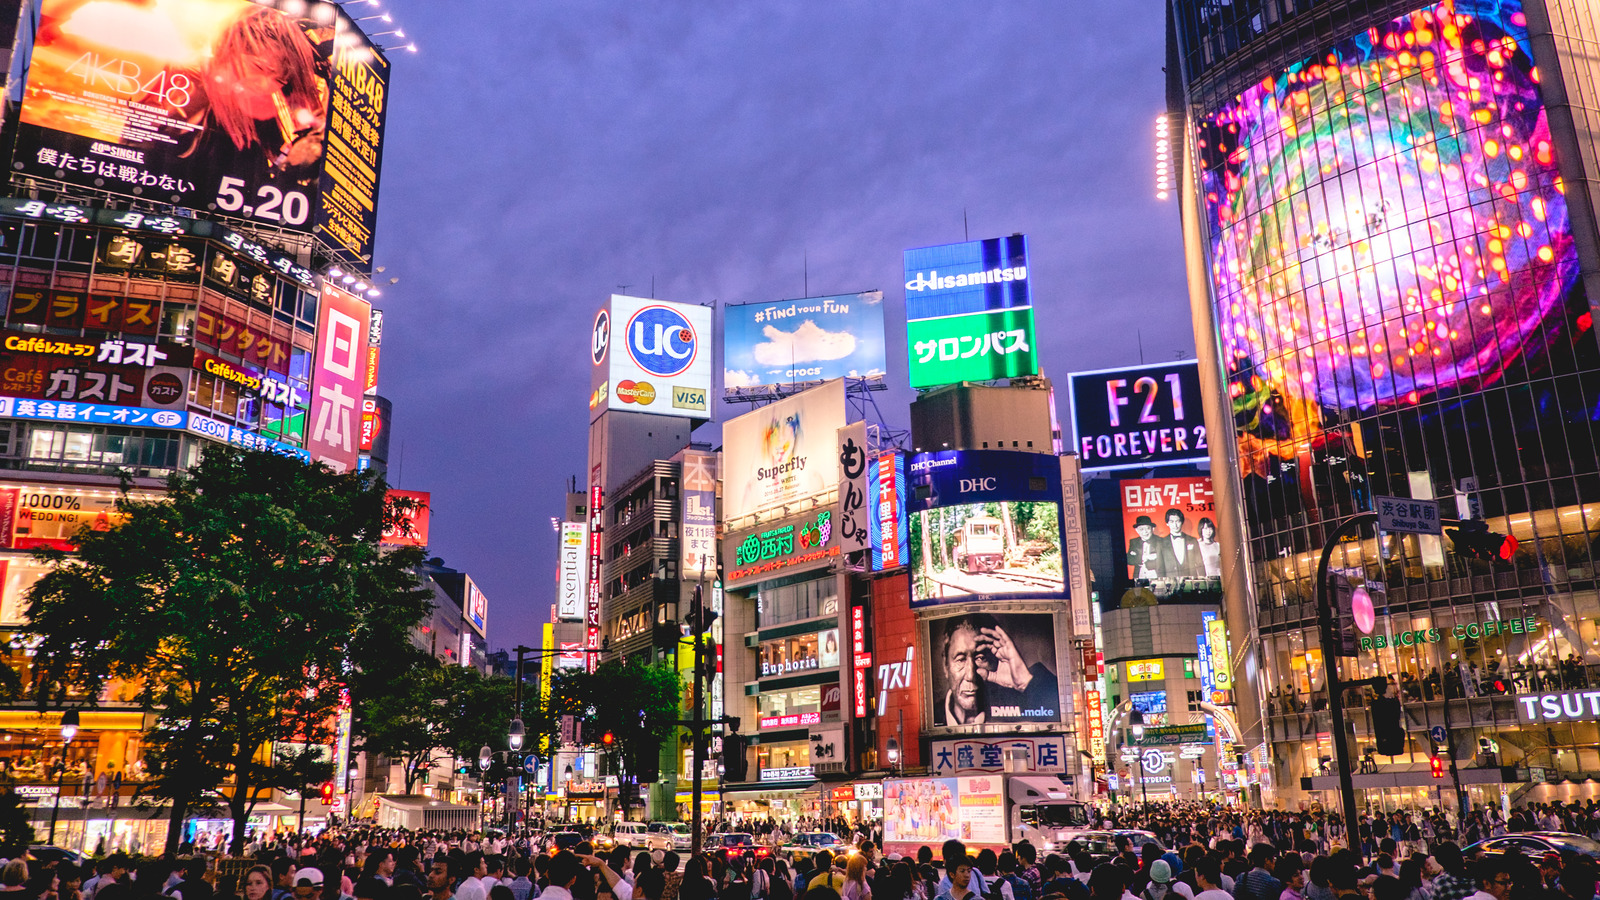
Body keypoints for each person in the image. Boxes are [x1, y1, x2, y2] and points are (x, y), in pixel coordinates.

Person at [1162, 509, 1204, 578]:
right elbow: (1160, 567)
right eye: (1172, 522)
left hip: (1190, 580)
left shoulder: (1192, 540)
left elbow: (1200, 563)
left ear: (1182, 522)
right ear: (1167, 523)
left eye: (1177, 521)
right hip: (1171, 581)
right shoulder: (1161, 542)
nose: (1175, 525)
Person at [1126, 517, 1167, 582]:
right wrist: (1143, 557)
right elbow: (1129, 560)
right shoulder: (1133, 542)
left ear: (1152, 529)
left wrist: (1157, 557)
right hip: (1139, 575)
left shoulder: (1161, 541)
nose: (1145, 532)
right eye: (1141, 529)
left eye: (1148, 528)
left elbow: (1167, 561)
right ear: (1137, 530)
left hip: (1156, 575)